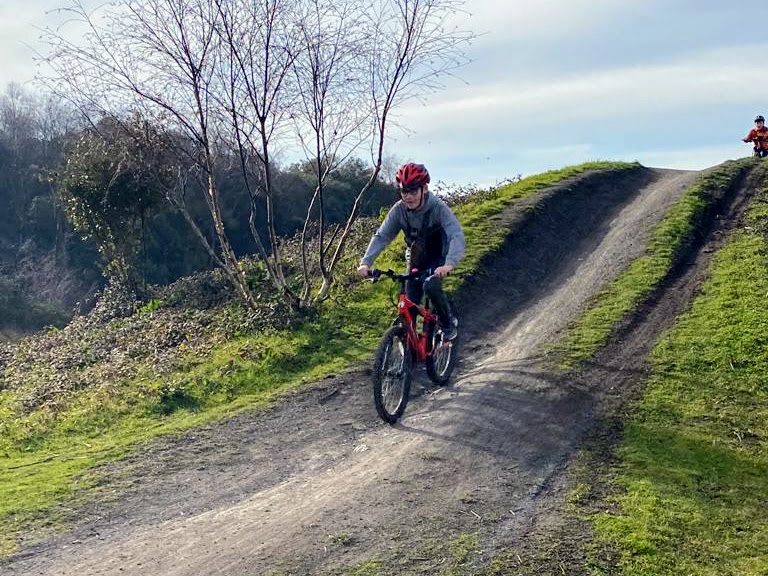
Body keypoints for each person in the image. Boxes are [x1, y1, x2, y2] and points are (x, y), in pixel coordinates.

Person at [357, 162, 465, 340]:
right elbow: (382, 236)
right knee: (410, 302)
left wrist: (449, 264)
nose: (408, 197)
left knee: (430, 285)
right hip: (416, 258)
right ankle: (407, 352)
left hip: (440, 258)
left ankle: (447, 323)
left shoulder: (438, 208)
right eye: (404, 191)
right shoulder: (399, 210)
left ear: (424, 189)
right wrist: (366, 262)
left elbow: (456, 235)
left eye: (413, 191)